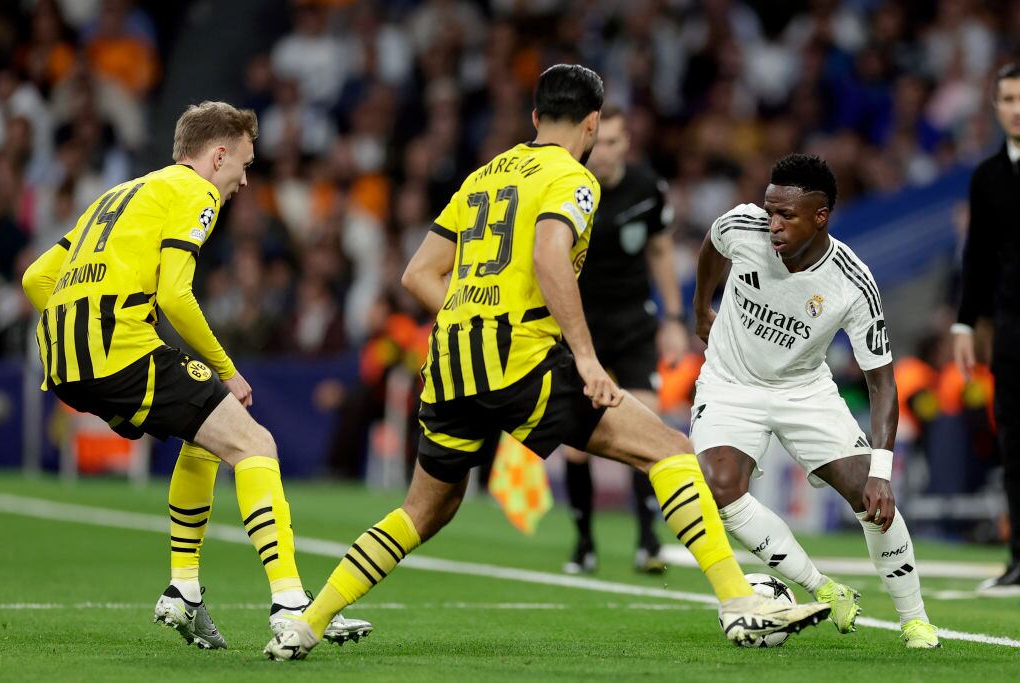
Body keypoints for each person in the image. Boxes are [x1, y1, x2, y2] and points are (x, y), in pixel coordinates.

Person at [264, 64, 830, 661]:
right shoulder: (573, 177)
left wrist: (475, 316)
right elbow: (549, 253)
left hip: (453, 362)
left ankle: (307, 623)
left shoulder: (483, 176)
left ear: (535, 118)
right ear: (591, 124)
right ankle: (741, 605)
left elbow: (417, 273)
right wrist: (586, 358)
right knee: (668, 451)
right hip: (519, 360)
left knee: (423, 511)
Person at [20, 101, 371, 650]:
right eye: (244, 165)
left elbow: (36, 278)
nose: (244, 181)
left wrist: (81, 322)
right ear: (218, 154)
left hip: (63, 360)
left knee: (205, 437)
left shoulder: (117, 194)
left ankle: (184, 590)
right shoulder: (195, 191)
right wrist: (227, 370)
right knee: (255, 443)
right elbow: (174, 295)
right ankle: (290, 603)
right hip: (120, 348)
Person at [691, 153, 939, 648]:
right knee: (719, 488)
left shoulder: (852, 281)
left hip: (804, 390)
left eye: (786, 216)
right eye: (770, 210)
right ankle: (824, 588)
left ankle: (915, 620)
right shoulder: (743, 226)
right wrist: (701, 305)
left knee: (871, 499)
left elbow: (882, 382)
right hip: (729, 384)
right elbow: (713, 246)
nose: (772, 224)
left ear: (820, 216)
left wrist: (882, 473)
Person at [561, 103, 687, 575]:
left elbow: (660, 252)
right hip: (581, 326)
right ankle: (584, 542)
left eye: (614, 143)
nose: (605, 153)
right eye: (599, 143)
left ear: (626, 143)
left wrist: (673, 317)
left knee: (647, 429)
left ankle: (648, 540)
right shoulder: (568, 188)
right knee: (575, 443)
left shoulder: (647, 189)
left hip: (635, 322)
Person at [953, 62, 1020, 593]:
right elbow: (977, 258)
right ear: (995, 106)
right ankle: (1018, 558)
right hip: (1011, 323)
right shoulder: (988, 177)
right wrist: (962, 324)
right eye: (1007, 98)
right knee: (1014, 443)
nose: (1016, 108)